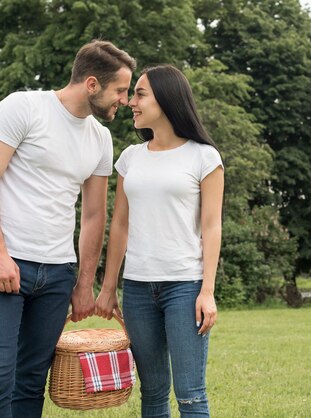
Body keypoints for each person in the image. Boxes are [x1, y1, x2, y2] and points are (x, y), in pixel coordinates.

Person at [0, 40, 136, 417]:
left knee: (30, 379)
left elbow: (94, 215)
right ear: (92, 84)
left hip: (56, 275)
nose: (124, 100)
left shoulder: (100, 138)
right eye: (120, 90)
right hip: (0, 266)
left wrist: (83, 283)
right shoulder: (22, 107)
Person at [95, 65, 224, 417]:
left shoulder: (203, 156)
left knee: (190, 394)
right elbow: (119, 225)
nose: (131, 102)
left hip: (185, 286)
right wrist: (109, 287)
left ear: (166, 99)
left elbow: (212, 227)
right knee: (151, 392)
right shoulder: (131, 158)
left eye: (140, 94)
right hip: (137, 289)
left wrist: (207, 291)